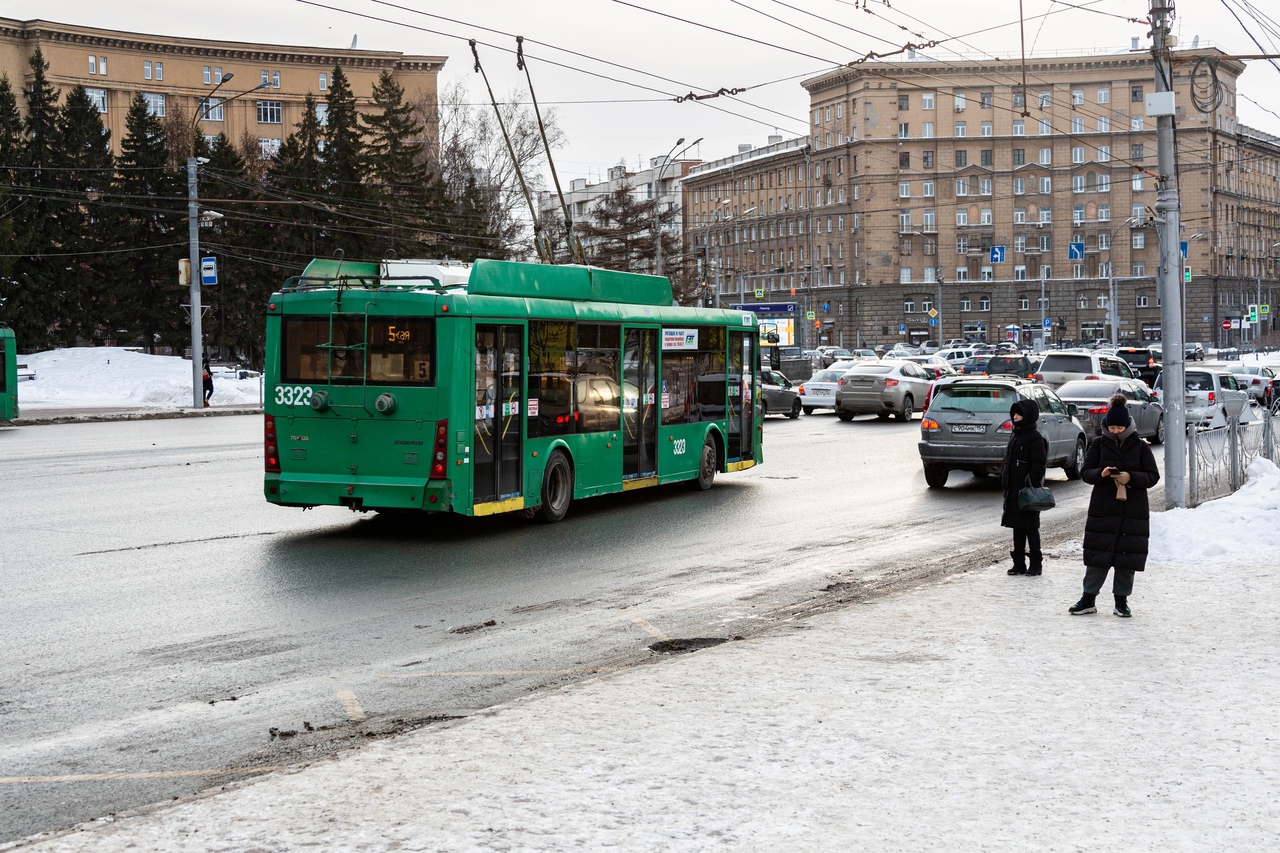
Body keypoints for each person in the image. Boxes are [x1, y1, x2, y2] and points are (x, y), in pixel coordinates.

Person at [1070, 393, 1160, 617]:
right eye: (1113, 427)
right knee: (1098, 557)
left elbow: (1152, 476)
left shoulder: (1141, 447)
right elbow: (1085, 473)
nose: (1116, 431)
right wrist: (1101, 473)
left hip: (1133, 511)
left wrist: (1131, 478)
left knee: (1126, 558)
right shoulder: (1099, 445)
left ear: (1128, 425)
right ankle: (1088, 598)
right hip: (1103, 509)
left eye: (1120, 427)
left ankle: (1121, 601)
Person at [1001, 398, 1048, 576]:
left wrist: (1031, 482)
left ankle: (1036, 564)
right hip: (1013, 490)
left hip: (1027, 492)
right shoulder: (1015, 435)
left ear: (1028, 415)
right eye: (1014, 414)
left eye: (1019, 414)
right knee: (1016, 527)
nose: (1016, 417)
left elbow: (1039, 464)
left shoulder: (1034, 437)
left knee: (1030, 528)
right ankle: (1018, 563)